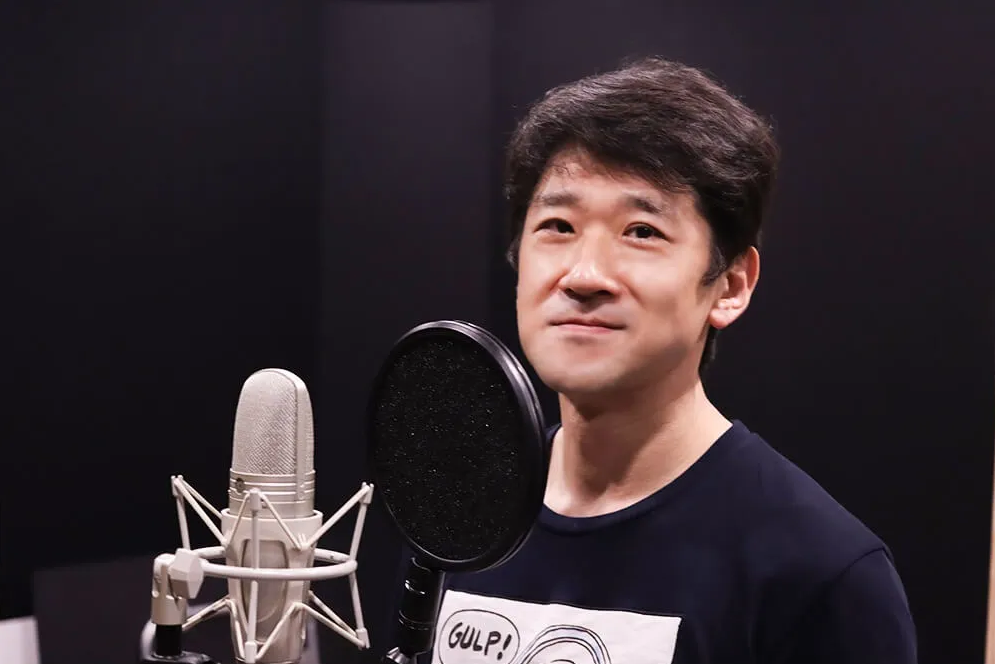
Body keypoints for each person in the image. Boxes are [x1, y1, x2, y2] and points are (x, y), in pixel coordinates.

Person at [419, 56, 917, 664]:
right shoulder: (460, 517)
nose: (584, 275)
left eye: (641, 232)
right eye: (558, 225)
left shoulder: (821, 573)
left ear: (731, 285)